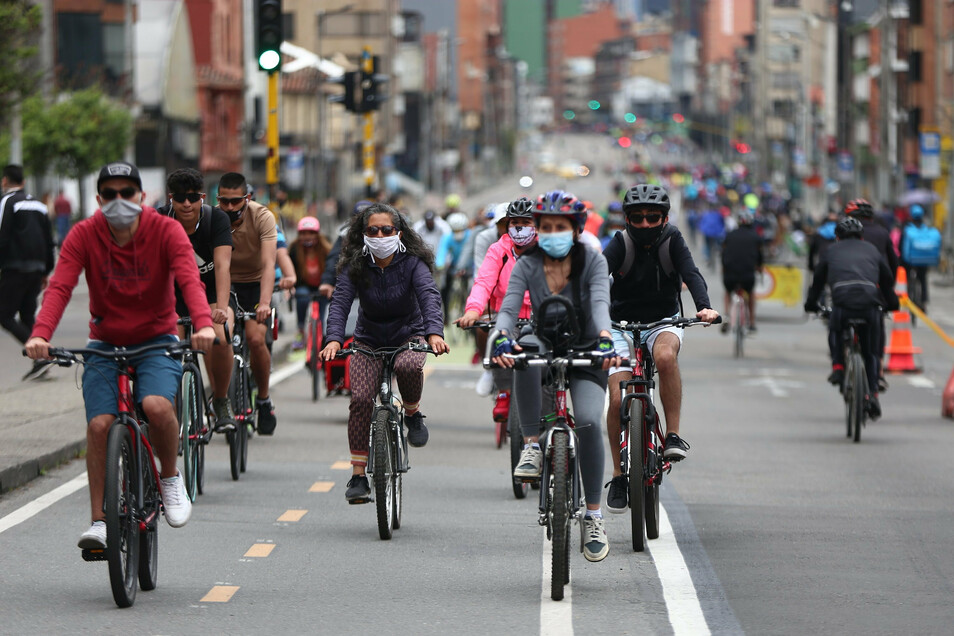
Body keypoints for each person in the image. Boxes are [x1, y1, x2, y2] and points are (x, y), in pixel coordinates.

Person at [24, 160, 215, 549]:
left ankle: (169, 478)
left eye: (126, 193)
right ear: (98, 199)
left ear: (142, 197)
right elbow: (60, 286)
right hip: (105, 344)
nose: (118, 201)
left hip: (157, 341)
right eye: (109, 194)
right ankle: (100, 522)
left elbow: (188, 278)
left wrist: (204, 324)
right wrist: (40, 335)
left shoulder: (166, 230)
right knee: (99, 426)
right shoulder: (84, 233)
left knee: (158, 406)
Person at [492, 189, 622, 563]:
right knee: (523, 352)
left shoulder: (594, 261)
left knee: (587, 421)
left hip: (586, 347)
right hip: (543, 342)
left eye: (559, 226)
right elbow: (509, 306)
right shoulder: (526, 264)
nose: (551, 232)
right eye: (544, 226)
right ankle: (532, 443)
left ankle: (594, 516)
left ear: (576, 228)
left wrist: (604, 338)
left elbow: (600, 304)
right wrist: (502, 336)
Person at [318, 202, 449, 503]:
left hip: (410, 334)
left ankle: (413, 414)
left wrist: (434, 334)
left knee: (407, 367)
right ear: (362, 235)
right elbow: (340, 302)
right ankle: (357, 475)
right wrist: (334, 339)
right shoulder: (356, 264)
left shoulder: (413, 263)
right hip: (368, 339)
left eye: (386, 230)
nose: (379, 236)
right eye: (372, 231)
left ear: (399, 233)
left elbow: (429, 295)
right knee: (362, 399)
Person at [602, 184, 719, 513]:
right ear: (626, 218)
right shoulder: (620, 242)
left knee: (665, 357)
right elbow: (596, 276)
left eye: (652, 218)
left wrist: (705, 306)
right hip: (618, 325)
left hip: (663, 321)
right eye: (636, 218)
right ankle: (618, 474)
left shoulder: (673, 240)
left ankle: (672, 436)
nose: (644, 224)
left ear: (664, 218)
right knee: (616, 397)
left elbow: (691, 273)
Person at [158, 168, 235, 431]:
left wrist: (223, 309)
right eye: (180, 198)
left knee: (221, 337)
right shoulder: (160, 220)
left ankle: (221, 400)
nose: (187, 204)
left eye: (193, 197)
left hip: (212, 293)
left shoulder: (217, 220)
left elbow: (223, 266)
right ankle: (166, 405)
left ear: (202, 197)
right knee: (167, 345)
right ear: (171, 199)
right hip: (172, 295)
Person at [804, 217, 899, 420]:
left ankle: (838, 366)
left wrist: (811, 304)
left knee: (835, 328)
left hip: (843, 304)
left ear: (837, 237)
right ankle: (872, 395)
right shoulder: (872, 251)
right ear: (862, 236)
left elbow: (818, 281)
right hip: (869, 305)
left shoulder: (831, 251)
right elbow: (887, 279)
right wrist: (892, 304)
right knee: (871, 353)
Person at [457, 197, 536, 415]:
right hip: (507, 315)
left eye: (526, 222)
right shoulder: (498, 249)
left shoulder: (547, 249)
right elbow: (483, 281)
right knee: (497, 339)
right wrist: (473, 310)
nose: (520, 227)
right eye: (514, 222)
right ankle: (504, 391)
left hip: (543, 318)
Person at [217, 172, 279, 435]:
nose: (229, 207)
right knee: (222, 334)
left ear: (247, 198)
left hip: (256, 285)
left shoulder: (262, 217)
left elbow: (268, 264)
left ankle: (263, 400)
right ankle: (222, 399)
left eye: (235, 202)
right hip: (226, 284)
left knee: (255, 339)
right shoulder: (212, 218)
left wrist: (264, 302)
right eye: (224, 201)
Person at [0, 164, 56, 381]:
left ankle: (41, 354)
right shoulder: (39, 206)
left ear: (5, 181)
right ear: (23, 181)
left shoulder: (7, 201)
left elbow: (3, 237)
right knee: (26, 314)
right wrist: (46, 270)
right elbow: (49, 240)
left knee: (4, 315)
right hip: (37, 269)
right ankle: (40, 358)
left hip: (15, 268)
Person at [845, 198, 898, 391]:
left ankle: (841, 361)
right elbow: (892, 264)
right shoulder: (883, 233)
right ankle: (879, 370)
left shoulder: (843, 233)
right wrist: (888, 289)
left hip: (846, 290)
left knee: (840, 321)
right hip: (875, 291)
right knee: (877, 330)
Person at [289, 216, 332, 349]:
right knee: (301, 298)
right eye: (303, 233)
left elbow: (333, 268)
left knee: (323, 314)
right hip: (304, 287)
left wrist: (331, 284)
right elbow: (290, 271)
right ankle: (301, 330)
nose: (307, 237)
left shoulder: (326, 249)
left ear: (317, 234)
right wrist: (290, 287)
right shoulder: (294, 250)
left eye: (311, 233)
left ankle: (324, 337)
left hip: (322, 287)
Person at [317, 200, 373, 301]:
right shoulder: (345, 234)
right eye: (358, 219)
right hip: (353, 286)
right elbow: (334, 258)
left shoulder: (384, 234)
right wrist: (327, 282)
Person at [720, 209, 763, 333]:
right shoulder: (756, 237)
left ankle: (727, 316)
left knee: (728, 292)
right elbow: (759, 257)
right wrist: (759, 268)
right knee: (750, 293)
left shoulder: (729, 235)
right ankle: (752, 322)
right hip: (747, 274)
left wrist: (724, 269)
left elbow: (723, 254)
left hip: (730, 273)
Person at [899, 203, 939, 314]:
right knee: (923, 279)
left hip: (910, 260)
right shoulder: (927, 229)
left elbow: (901, 247)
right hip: (924, 260)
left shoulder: (907, 229)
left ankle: (907, 299)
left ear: (911, 216)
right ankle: (923, 301)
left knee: (906, 276)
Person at [435, 211, 473, 324]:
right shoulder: (447, 237)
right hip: (454, 266)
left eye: (460, 230)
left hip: (469, 265)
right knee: (445, 288)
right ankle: (445, 316)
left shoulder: (470, 235)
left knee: (471, 288)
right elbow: (441, 252)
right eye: (455, 230)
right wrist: (439, 265)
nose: (458, 233)